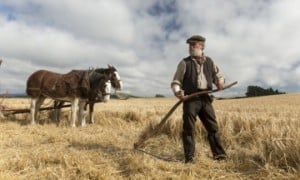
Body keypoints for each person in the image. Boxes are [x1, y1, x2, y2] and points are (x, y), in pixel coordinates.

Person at [171, 35, 227, 163]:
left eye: (193, 45)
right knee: (188, 129)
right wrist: (178, 92)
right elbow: (176, 81)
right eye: (189, 45)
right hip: (190, 99)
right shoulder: (184, 63)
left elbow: (218, 76)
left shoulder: (210, 62)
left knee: (213, 128)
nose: (190, 47)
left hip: (206, 99)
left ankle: (220, 156)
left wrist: (220, 82)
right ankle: (189, 159)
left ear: (201, 46)